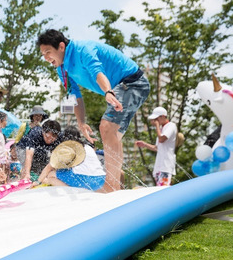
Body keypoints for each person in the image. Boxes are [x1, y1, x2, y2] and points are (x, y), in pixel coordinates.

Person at [37, 29, 150, 192]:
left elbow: (98, 72)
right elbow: (75, 96)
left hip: (133, 82)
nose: (46, 58)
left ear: (61, 46)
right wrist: (81, 123)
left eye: (48, 52)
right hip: (119, 88)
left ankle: (111, 186)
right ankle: (117, 187)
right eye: (43, 54)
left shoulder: (83, 50)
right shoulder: (62, 69)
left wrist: (108, 91)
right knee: (113, 136)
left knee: (106, 127)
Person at [36, 127, 106, 191]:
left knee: (51, 175)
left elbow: (49, 167)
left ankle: (71, 190)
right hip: (101, 180)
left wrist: (37, 182)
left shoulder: (68, 149)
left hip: (87, 181)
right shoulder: (88, 147)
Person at [134, 107, 177, 186]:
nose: (155, 121)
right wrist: (145, 144)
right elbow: (157, 148)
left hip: (166, 166)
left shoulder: (171, 126)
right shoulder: (162, 128)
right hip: (159, 166)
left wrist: (157, 126)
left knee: (163, 190)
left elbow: (162, 139)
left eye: (157, 119)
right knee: (159, 189)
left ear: (163, 116)